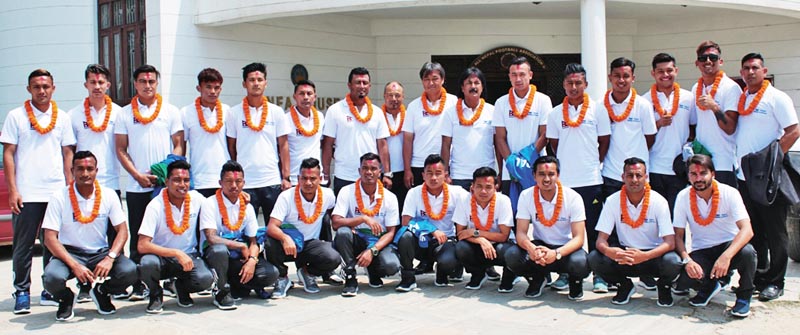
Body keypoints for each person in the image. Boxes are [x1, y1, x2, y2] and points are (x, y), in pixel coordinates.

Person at [2, 68, 76, 313]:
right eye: (36, 87)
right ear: (29, 89)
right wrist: (13, 190)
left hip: (55, 192)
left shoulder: (62, 118)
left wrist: (68, 187)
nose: (41, 91)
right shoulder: (16, 116)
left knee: (52, 244)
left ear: (53, 88)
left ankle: (49, 290)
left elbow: (68, 153)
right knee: (23, 245)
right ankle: (22, 291)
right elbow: (9, 153)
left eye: (46, 87)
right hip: (27, 192)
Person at [115, 64, 184, 300]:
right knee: (138, 236)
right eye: (143, 81)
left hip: (167, 186)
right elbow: (121, 149)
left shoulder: (171, 111)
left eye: (152, 81)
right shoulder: (124, 114)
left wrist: (167, 172)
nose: (147, 85)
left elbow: (178, 144)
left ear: (157, 83)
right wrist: (137, 175)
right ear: (135, 84)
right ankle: (139, 283)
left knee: (169, 233)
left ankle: (173, 278)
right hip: (138, 186)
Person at [734, 53, 799, 301]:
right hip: (745, 176)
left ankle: (775, 281)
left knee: (775, 232)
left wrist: (770, 158)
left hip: (769, 177)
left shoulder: (776, 98)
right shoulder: (743, 99)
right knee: (754, 230)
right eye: (746, 69)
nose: (750, 72)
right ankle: (758, 277)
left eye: (755, 68)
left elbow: (793, 130)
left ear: (764, 71)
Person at [41, 151, 136, 321]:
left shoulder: (108, 195)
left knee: (130, 271)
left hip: (99, 253)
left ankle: (101, 292)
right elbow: (49, 237)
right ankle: (66, 298)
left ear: (96, 171)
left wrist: (110, 257)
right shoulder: (59, 197)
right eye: (80, 169)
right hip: (69, 253)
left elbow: (122, 230)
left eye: (89, 169)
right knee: (51, 278)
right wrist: (74, 265)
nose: (85, 173)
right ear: (72, 171)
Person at [546, 63, 610, 293]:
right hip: (565, 183)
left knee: (593, 229)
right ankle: (566, 273)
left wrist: (593, 162)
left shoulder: (598, 110)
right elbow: (554, 145)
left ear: (586, 84)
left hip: (591, 180)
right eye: (570, 83)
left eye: (578, 83)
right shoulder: (555, 113)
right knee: (565, 230)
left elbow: (604, 142)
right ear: (563, 84)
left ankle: (599, 275)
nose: (574, 87)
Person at [589, 157, 681, 306]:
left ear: (646, 177)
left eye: (639, 175)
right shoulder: (613, 200)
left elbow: (670, 242)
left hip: (652, 255)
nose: (634, 180)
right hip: (626, 255)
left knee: (673, 262)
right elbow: (600, 240)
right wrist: (611, 252)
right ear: (623, 177)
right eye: (630, 175)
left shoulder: (659, 201)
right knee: (595, 258)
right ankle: (624, 286)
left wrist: (645, 256)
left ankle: (664, 288)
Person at [673, 154, 756, 317]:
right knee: (684, 280)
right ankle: (710, 285)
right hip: (702, 250)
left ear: (713, 174)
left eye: (703, 173)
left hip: (728, 247)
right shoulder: (683, 196)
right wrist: (687, 260)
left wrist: (726, 256)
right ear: (688, 176)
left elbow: (747, 230)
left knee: (748, 253)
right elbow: (678, 235)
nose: (698, 178)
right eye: (693, 174)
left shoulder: (730, 193)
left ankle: (744, 297)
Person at [68, 64, 125, 302]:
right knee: (84, 237)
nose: (97, 86)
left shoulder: (119, 113)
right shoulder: (74, 115)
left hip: (110, 181)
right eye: (93, 82)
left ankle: (113, 285)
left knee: (114, 236)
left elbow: (123, 147)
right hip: (82, 185)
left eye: (101, 82)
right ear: (86, 85)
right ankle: (83, 286)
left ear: (108, 85)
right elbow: (69, 151)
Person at [505, 156, 589, 300]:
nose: (546, 179)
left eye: (551, 174)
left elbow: (579, 238)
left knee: (581, 262)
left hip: (565, 249)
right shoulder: (526, 195)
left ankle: (574, 282)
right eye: (541, 174)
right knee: (512, 255)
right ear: (534, 176)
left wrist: (556, 253)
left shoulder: (573, 197)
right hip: (540, 247)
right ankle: (537, 278)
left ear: (558, 175)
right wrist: (532, 249)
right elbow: (520, 233)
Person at [137, 160, 214, 314]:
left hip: (189, 257)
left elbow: (216, 203)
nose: (182, 185)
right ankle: (155, 294)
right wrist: (176, 253)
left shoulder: (196, 198)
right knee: (147, 263)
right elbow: (142, 245)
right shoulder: (155, 206)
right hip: (162, 258)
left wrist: (239, 195)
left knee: (205, 279)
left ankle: (180, 287)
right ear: (167, 182)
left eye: (186, 180)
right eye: (177, 180)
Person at [201, 160, 279, 309]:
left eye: (238, 181)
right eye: (229, 181)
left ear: (244, 183)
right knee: (219, 250)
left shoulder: (247, 207)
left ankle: (238, 286)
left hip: (240, 258)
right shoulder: (210, 204)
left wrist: (252, 260)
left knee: (271, 274)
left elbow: (254, 241)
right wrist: (240, 246)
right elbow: (211, 238)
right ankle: (221, 292)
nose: (234, 186)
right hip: (217, 256)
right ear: (220, 183)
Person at [266, 158, 341, 298]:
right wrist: (285, 238)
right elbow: (271, 227)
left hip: (311, 244)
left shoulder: (328, 195)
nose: (308, 183)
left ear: (321, 178)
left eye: (313, 178)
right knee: (270, 240)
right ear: (298, 179)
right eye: (304, 178)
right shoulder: (286, 197)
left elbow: (336, 217)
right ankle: (282, 278)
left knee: (334, 257)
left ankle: (308, 273)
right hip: (289, 245)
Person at [226, 62, 291, 222]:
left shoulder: (276, 112)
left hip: (272, 180)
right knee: (246, 229)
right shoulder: (234, 113)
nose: (256, 83)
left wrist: (286, 177)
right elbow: (232, 147)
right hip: (246, 183)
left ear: (265, 83)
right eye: (251, 80)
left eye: (260, 79)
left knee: (275, 229)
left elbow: (283, 145)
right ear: (244, 83)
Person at [332, 153, 400, 296]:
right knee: (343, 233)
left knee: (392, 266)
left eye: (373, 168)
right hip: (357, 239)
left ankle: (373, 270)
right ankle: (350, 276)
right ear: (359, 171)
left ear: (380, 171)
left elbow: (391, 232)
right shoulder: (347, 191)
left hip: (378, 242)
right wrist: (362, 219)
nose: (369, 172)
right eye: (365, 168)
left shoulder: (390, 197)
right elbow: (336, 222)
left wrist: (372, 251)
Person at [397, 154, 467, 291]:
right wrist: (431, 229)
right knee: (405, 237)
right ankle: (408, 278)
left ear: (446, 175)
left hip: (444, 241)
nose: (433, 178)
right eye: (429, 173)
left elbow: (473, 207)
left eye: (438, 173)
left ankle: (443, 271)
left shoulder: (457, 193)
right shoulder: (414, 193)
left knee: (449, 261)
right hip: (420, 240)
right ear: (423, 175)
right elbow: (406, 222)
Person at [322, 67, 392, 196]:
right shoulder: (335, 110)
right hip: (344, 175)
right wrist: (325, 173)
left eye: (365, 83)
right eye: (358, 82)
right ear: (349, 85)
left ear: (369, 86)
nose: (362, 86)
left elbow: (382, 145)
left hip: (371, 176)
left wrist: (387, 173)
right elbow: (327, 144)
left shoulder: (377, 112)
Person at [644, 53, 696, 214]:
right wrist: (658, 124)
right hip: (653, 168)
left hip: (678, 168)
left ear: (676, 71)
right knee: (656, 217)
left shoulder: (688, 98)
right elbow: (641, 136)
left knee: (678, 218)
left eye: (669, 70)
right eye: (660, 71)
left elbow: (694, 128)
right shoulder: (645, 101)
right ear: (653, 73)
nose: (665, 75)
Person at [494, 57, 553, 195]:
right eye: (514, 75)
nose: (518, 79)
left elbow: (545, 135)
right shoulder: (501, 102)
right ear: (509, 77)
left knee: (537, 212)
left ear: (530, 75)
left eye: (522, 74)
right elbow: (500, 138)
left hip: (536, 168)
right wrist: (512, 163)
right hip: (510, 171)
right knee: (513, 213)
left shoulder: (543, 100)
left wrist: (526, 159)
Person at [453, 167, 515, 291]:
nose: (483, 191)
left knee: (510, 252)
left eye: (488, 187)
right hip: (476, 244)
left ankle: (508, 278)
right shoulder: (464, 200)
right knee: (461, 247)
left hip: (501, 244)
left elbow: (504, 236)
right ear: (472, 186)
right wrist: (481, 240)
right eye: (479, 186)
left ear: (495, 187)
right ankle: (478, 274)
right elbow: (460, 234)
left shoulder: (503, 201)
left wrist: (476, 233)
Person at [691, 41, 742, 187]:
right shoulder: (696, 88)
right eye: (703, 58)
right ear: (697, 63)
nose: (708, 61)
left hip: (723, 163)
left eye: (712, 57)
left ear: (720, 61)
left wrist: (714, 107)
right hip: (701, 162)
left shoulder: (731, 88)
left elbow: (730, 128)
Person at [403, 62, 458, 189]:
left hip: (446, 165)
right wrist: (407, 170)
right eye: (426, 79)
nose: (431, 83)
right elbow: (407, 140)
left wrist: (446, 169)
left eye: (435, 79)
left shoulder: (454, 102)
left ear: (443, 80)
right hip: (419, 165)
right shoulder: (413, 106)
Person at [441, 67, 496, 191]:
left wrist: (500, 173)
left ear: (482, 87)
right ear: (462, 88)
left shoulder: (492, 111)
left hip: (486, 174)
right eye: (469, 83)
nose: (473, 86)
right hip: (459, 175)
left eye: (477, 83)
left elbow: (498, 144)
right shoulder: (450, 113)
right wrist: (445, 173)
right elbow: (445, 145)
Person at [181, 68, 230, 197]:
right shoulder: (186, 112)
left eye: (216, 87)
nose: (213, 92)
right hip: (199, 180)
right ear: (199, 88)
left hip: (224, 180)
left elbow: (233, 144)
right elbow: (181, 146)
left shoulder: (228, 111)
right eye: (208, 87)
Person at [286, 80, 325, 186]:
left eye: (309, 93)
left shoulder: (320, 117)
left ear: (315, 97)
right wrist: (285, 177)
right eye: (301, 93)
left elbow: (323, 144)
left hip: (316, 177)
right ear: (294, 96)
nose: (306, 97)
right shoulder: (286, 119)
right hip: (295, 178)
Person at [382, 81, 408, 212]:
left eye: (397, 95)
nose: (394, 99)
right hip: (383, 173)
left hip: (405, 173)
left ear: (403, 97)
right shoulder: (377, 116)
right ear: (384, 96)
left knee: (402, 209)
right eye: (390, 95)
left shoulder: (409, 116)